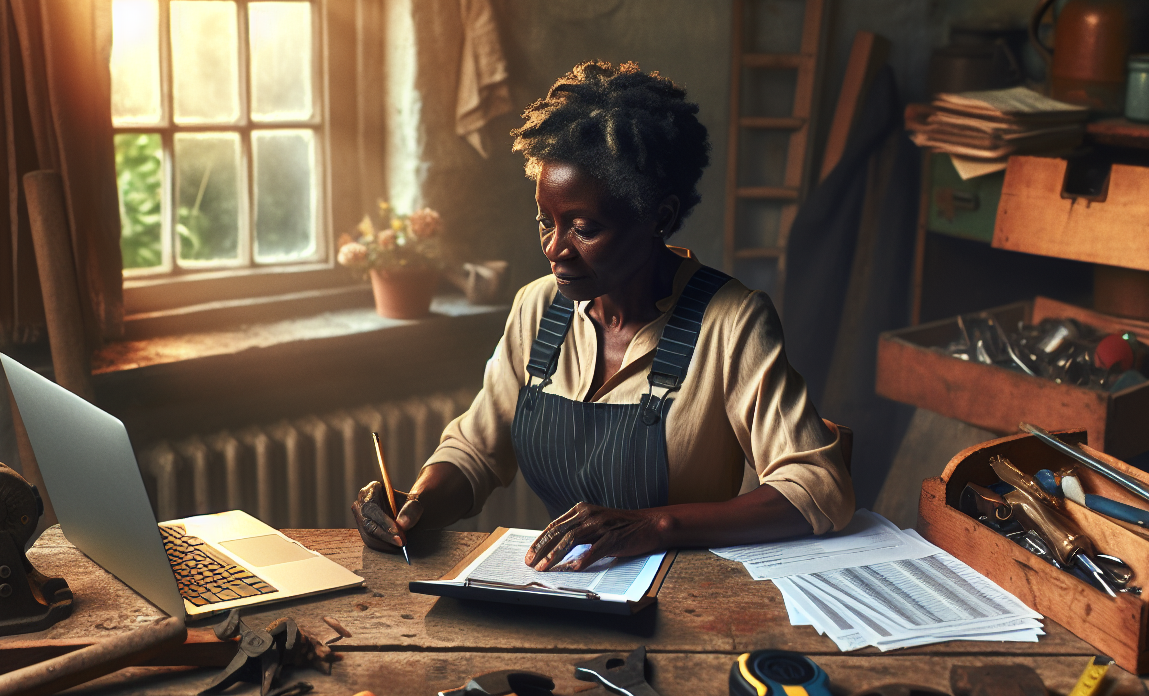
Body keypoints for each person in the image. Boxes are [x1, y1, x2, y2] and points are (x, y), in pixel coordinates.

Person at [354, 60, 853, 572]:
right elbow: (475, 454)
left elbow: (819, 486)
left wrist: (656, 525)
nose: (555, 249)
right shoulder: (537, 308)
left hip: (690, 592)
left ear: (659, 217)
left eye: (584, 228)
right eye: (545, 222)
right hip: (566, 586)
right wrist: (414, 504)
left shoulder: (732, 323)